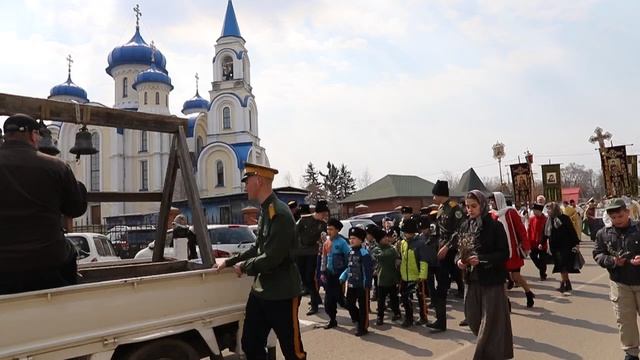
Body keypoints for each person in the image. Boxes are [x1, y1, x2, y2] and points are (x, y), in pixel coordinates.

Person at [214, 162, 306, 360]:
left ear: (260, 181)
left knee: (292, 350)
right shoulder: (265, 210)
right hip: (261, 292)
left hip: (282, 293)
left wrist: (244, 267)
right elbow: (257, 249)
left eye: (248, 181)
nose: (245, 186)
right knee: (250, 343)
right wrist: (229, 262)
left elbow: (272, 257)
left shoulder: (279, 213)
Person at [0, 114, 87, 295]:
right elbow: (76, 208)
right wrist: (79, 187)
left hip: (3, 265)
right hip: (47, 261)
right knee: (70, 252)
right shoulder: (57, 167)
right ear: (33, 135)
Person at [456, 190, 514, 360]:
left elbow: (504, 253)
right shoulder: (465, 226)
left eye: (473, 206)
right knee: (473, 318)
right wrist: (459, 261)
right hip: (471, 281)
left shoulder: (495, 226)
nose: (470, 210)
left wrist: (481, 259)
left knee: (490, 324)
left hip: (491, 281)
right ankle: (492, 351)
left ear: (482, 205)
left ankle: (485, 356)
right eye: (467, 206)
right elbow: (458, 251)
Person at [593, 198, 640, 360]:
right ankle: (631, 353)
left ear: (627, 213)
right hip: (620, 283)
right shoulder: (603, 234)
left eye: (620, 216)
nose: (617, 220)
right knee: (625, 320)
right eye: (614, 218)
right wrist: (612, 261)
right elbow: (598, 254)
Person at [429, 180, 465, 332]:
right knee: (441, 288)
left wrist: (447, 246)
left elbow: (460, 231)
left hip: (453, 252)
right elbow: (439, 230)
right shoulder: (441, 208)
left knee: (465, 284)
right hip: (442, 252)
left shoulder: (454, 208)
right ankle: (440, 321)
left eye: (434, 194)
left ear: (440, 194)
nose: (433, 198)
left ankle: (473, 316)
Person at [491, 192, 535, 308]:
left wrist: (526, 246)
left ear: (498, 200)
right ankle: (507, 302)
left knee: (516, 276)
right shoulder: (493, 215)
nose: (491, 203)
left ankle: (528, 293)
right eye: (490, 201)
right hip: (500, 251)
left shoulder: (510, 212)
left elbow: (520, 230)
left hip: (513, 251)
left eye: (493, 200)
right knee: (502, 278)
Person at [340, 227, 374, 336]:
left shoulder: (364, 253)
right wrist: (343, 277)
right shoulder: (350, 252)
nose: (351, 240)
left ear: (360, 240)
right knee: (349, 303)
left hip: (362, 286)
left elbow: (368, 270)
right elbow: (349, 267)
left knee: (363, 307)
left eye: (354, 238)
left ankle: (363, 327)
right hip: (351, 284)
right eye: (350, 238)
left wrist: (367, 283)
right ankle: (358, 319)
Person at [295, 203, 327, 316]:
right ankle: (317, 298)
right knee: (303, 278)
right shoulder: (304, 220)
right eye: (323, 214)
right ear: (318, 213)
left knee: (310, 278)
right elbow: (294, 232)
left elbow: (324, 237)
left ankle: (314, 305)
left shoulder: (323, 224)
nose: (324, 216)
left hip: (312, 253)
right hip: (300, 252)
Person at [320, 218, 351, 329]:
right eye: (328, 229)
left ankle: (357, 315)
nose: (329, 231)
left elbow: (349, 259)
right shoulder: (326, 242)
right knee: (328, 301)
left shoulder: (342, 243)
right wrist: (322, 272)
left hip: (339, 275)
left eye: (331, 229)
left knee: (340, 300)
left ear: (337, 230)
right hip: (329, 274)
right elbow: (324, 257)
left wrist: (346, 273)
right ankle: (332, 320)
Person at [544, 202, 581, 295]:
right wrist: (541, 242)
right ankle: (567, 283)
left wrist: (576, 243)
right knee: (560, 265)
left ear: (554, 210)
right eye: (547, 209)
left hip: (565, 246)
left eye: (549, 209)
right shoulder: (549, 220)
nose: (548, 211)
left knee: (562, 265)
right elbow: (545, 233)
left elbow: (571, 231)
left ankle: (563, 284)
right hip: (554, 247)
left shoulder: (564, 218)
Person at [398, 216, 429, 328]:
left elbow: (424, 260)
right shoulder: (403, 243)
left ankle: (423, 317)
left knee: (421, 298)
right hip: (405, 275)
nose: (405, 235)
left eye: (406, 232)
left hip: (416, 276)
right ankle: (409, 318)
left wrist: (422, 275)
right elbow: (402, 258)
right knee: (405, 298)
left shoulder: (420, 243)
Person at [372, 228, 402, 325]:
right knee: (381, 300)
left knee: (394, 299)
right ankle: (380, 317)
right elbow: (380, 256)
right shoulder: (377, 249)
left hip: (392, 278)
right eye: (383, 238)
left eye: (386, 237)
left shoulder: (392, 248)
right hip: (382, 279)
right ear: (378, 240)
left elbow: (397, 257)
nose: (386, 239)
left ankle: (397, 313)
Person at [528, 203, 549, 280]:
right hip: (533, 242)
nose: (533, 211)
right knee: (533, 256)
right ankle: (542, 268)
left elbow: (546, 232)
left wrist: (542, 242)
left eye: (534, 210)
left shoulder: (546, 219)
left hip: (542, 243)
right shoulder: (532, 219)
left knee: (542, 259)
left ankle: (542, 274)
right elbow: (529, 230)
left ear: (539, 210)